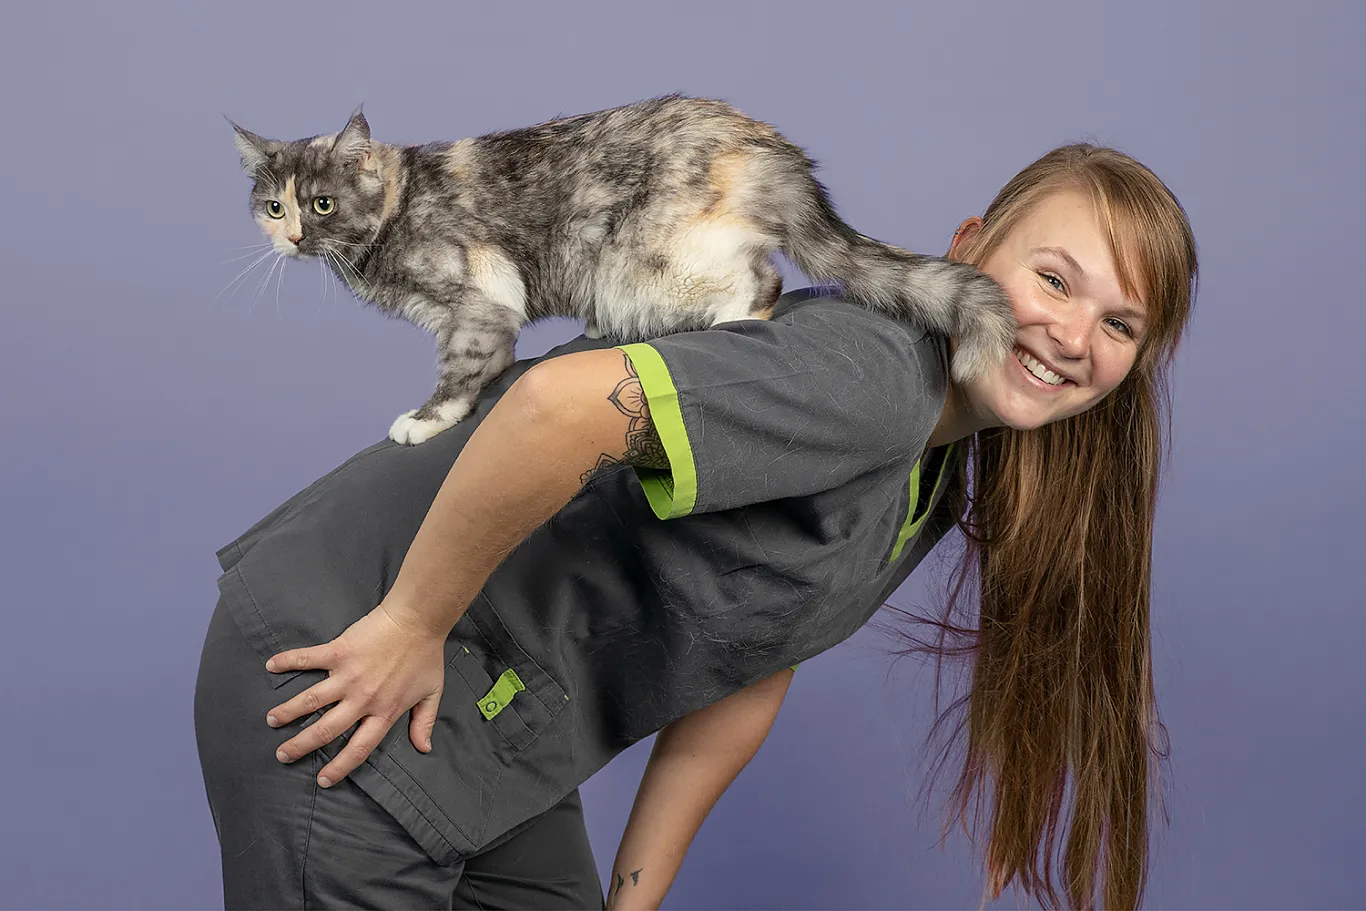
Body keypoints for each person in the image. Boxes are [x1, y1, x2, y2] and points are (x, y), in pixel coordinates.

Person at [194, 141, 1196, 911]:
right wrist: (408, 622)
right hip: (352, 665)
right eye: (1055, 280)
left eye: (1119, 323)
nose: (1072, 336)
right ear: (970, 248)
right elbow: (556, 406)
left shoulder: (934, 466)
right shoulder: (875, 381)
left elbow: (759, 652)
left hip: (490, 741)